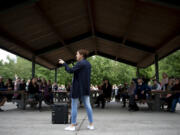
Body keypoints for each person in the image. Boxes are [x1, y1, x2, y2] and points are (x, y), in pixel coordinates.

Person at [59, 49, 94, 131]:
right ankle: (91, 124)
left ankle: (72, 125)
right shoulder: (88, 64)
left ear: (81, 55)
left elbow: (70, 70)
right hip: (85, 88)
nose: (76, 55)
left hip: (78, 87)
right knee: (88, 105)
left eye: (77, 54)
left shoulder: (81, 63)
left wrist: (64, 63)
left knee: (74, 105)